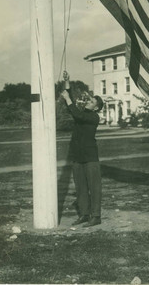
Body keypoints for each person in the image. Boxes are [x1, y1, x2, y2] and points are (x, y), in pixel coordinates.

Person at [61, 71, 104, 227]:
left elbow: (76, 114)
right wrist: (67, 82)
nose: (88, 101)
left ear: (96, 108)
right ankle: (85, 214)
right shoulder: (82, 112)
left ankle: (96, 216)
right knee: (80, 187)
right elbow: (71, 104)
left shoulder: (93, 117)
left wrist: (68, 99)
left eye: (91, 101)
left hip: (90, 157)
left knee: (94, 187)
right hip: (77, 155)